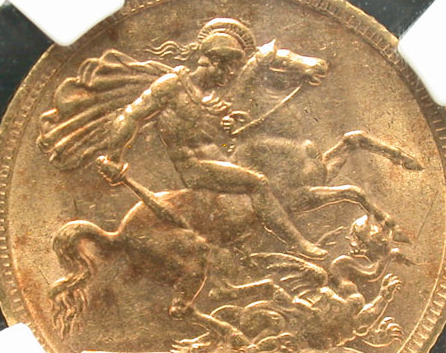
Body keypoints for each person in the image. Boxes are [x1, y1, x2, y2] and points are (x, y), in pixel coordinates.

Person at [99, 18, 327, 258]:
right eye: (229, 68)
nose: (232, 74)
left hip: (219, 158)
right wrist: (113, 158)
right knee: (258, 182)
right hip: (194, 168)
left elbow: (215, 133)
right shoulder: (172, 86)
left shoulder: (208, 94)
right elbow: (130, 116)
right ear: (215, 62)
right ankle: (297, 242)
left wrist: (228, 126)